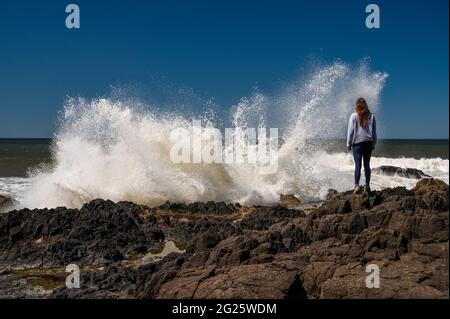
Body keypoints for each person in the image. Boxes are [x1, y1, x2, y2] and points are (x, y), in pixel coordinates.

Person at [346, 97, 377, 194]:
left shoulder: (353, 116)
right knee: (367, 165)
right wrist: (374, 143)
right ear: (365, 105)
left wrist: (348, 143)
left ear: (357, 105)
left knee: (358, 166)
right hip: (368, 143)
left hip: (357, 144)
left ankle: (357, 186)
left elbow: (350, 131)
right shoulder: (371, 116)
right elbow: (374, 132)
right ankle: (367, 186)